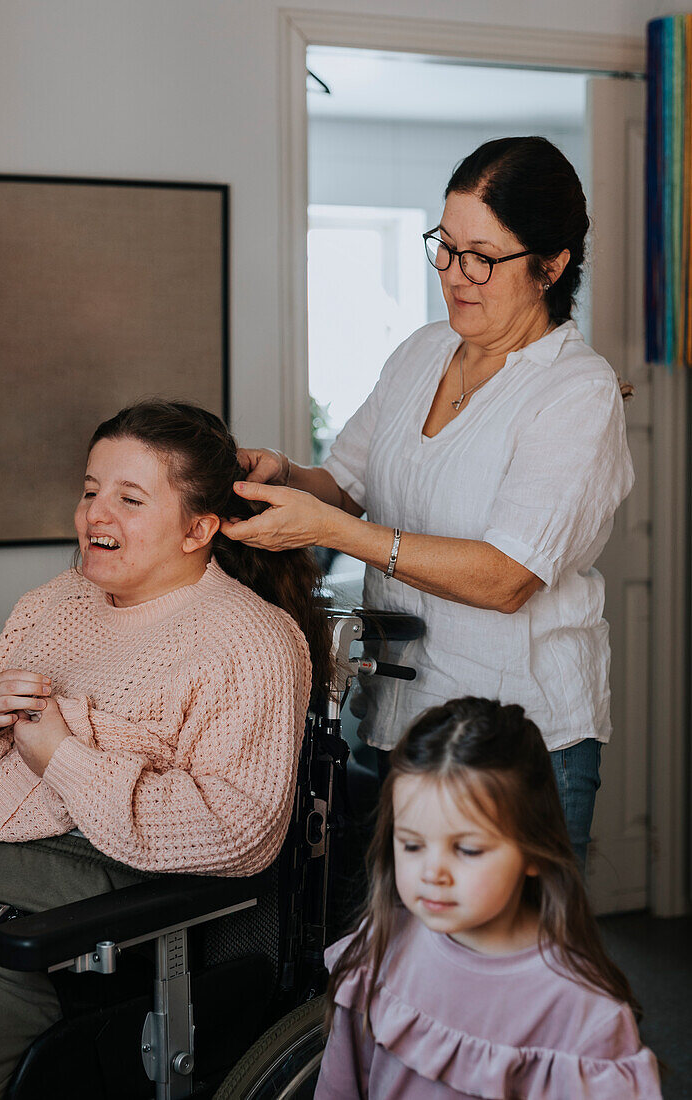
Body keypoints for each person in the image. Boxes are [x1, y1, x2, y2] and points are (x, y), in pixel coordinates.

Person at [224, 136, 634, 867]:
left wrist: (339, 531)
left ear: (551, 264)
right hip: (398, 719)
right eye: (443, 248)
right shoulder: (420, 351)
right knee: (403, 957)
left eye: (481, 256)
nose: (454, 276)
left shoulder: (575, 391)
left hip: (515, 738)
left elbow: (508, 578)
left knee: (500, 966)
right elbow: (344, 482)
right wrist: (284, 472)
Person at [0, 399, 329, 1100]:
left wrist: (63, 757)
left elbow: (238, 832)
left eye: (130, 499)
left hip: (50, 941)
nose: (97, 514)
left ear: (198, 528)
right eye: (91, 490)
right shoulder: (53, 603)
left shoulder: (250, 642)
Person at [314, 697, 662, 1099]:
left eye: (468, 850)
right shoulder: (380, 943)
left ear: (533, 849)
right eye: (411, 845)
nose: (432, 873)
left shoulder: (586, 1014)